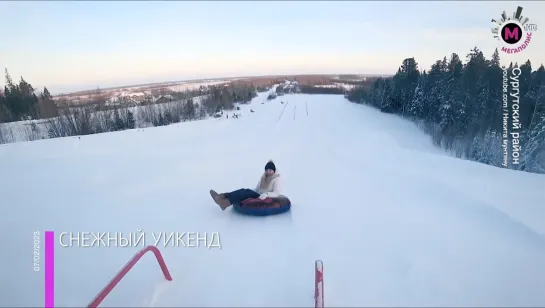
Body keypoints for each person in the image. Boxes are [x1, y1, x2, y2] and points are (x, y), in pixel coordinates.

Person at [210, 160, 282, 210]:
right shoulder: (263, 178)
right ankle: (222, 197)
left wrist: (266, 194)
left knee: (247, 192)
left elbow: (277, 193)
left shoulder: (276, 179)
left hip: (266, 198)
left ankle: (225, 203)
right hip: (260, 195)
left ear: (274, 170)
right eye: (267, 170)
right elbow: (257, 189)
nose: (268, 172)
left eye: (270, 170)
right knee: (243, 190)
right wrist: (251, 191)